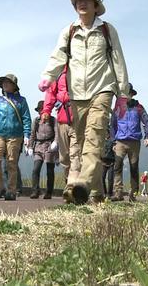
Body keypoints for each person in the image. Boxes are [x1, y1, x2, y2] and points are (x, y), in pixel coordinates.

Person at [38, 0, 130, 204]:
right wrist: (48, 76)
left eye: (88, 0)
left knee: (95, 137)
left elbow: (118, 60)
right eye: (79, 0)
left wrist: (123, 94)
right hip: (76, 93)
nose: (82, 3)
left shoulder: (107, 30)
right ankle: (96, 191)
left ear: (96, 6)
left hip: (103, 88)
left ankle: (82, 186)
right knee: (78, 142)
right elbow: (58, 55)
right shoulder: (68, 31)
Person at [0, 74, 31, 201]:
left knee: (11, 163)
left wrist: (27, 134)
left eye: (8, 82)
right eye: (4, 83)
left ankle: (11, 191)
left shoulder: (22, 101)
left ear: (14, 86)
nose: (5, 84)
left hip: (15, 135)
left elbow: (26, 118)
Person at [41, 66, 81, 198]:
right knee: (64, 156)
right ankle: (68, 181)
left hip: (78, 119)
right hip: (62, 119)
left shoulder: (81, 69)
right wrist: (46, 111)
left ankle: (72, 186)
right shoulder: (58, 74)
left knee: (76, 154)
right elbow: (51, 94)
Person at [111, 84, 148, 202]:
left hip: (134, 142)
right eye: (123, 93)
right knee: (117, 166)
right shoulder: (117, 108)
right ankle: (118, 193)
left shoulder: (139, 107)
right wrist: (113, 141)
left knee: (134, 168)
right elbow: (113, 125)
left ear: (131, 94)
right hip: (120, 142)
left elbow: (146, 122)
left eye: (127, 93)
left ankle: (133, 194)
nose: (125, 96)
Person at [27, 100, 59, 199]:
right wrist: (30, 147)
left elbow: (57, 132)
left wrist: (55, 142)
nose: (41, 112)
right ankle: (35, 191)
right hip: (38, 146)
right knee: (35, 169)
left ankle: (49, 192)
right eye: (40, 110)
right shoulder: (36, 121)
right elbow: (32, 134)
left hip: (49, 146)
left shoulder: (53, 120)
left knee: (50, 170)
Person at [101, 130, 116, 198]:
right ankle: (104, 192)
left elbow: (115, 150)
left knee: (110, 178)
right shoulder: (101, 140)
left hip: (111, 162)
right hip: (103, 162)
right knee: (102, 178)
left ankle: (109, 193)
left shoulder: (112, 141)